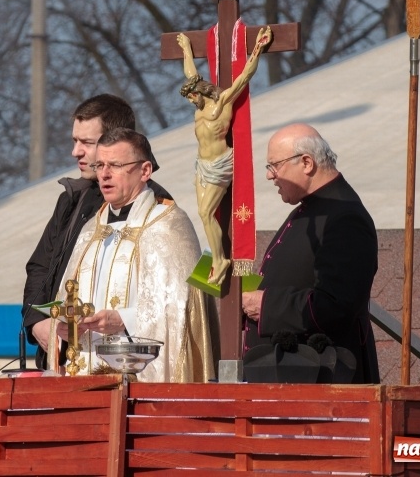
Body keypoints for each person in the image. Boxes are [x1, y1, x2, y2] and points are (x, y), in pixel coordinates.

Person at [47, 127, 216, 382]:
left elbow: (181, 310)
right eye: (100, 165)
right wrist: (65, 326)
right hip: (83, 375)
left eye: (115, 165)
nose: (104, 174)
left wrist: (124, 320)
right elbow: (66, 300)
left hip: (141, 379)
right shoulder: (90, 230)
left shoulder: (168, 224)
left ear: (145, 170)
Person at [23, 94, 170, 369]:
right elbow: (40, 268)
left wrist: (124, 318)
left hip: (120, 360)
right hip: (61, 358)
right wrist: (37, 322)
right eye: (75, 141)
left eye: (87, 143)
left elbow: (166, 295)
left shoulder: (154, 207)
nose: (75, 152)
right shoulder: (71, 199)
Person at [241, 123, 380, 384]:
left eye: (274, 165)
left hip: (322, 380)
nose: (270, 176)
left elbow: (335, 306)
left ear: (306, 163)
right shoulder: (313, 208)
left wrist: (265, 305)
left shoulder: (345, 217)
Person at [177, 27, 272, 285]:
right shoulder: (198, 108)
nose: (190, 102)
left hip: (220, 164)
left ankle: (220, 261)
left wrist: (257, 49)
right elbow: (190, 72)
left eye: (192, 96)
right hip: (202, 165)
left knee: (207, 212)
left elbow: (243, 77)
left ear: (202, 92)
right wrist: (186, 47)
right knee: (202, 212)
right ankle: (218, 258)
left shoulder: (222, 103)